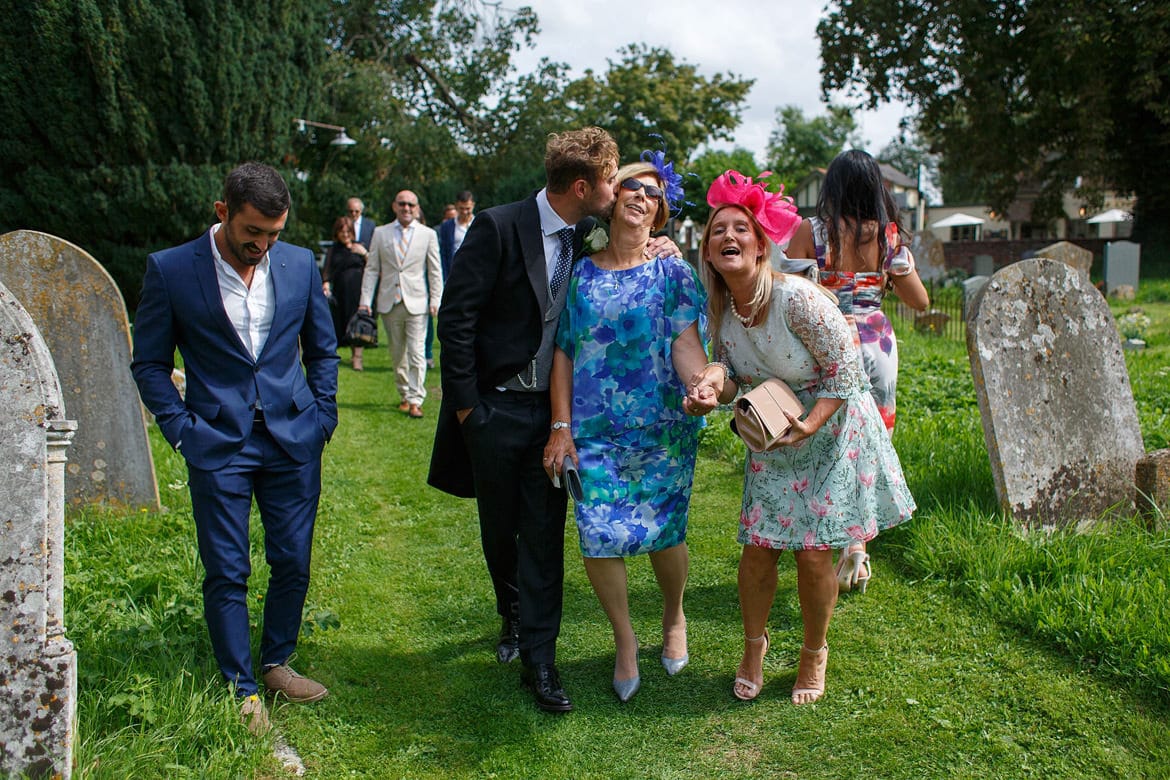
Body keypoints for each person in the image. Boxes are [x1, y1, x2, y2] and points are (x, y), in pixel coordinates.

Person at [429, 127, 679, 714]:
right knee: (500, 531)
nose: (619, 190)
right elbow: (457, 322)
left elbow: (627, 251)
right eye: (611, 179)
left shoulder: (589, 232)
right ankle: (510, 616)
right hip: (493, 409)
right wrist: (470, 411)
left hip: (552, 414)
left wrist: (660, 245)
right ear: (580, 186)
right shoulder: (497, 226)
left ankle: (542, 660)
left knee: (542, 534)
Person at [687, 170, 916, 705]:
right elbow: (731, 374)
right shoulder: (720, 312)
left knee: (814, 554)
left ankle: (815, 653)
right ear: (708, 251)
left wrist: (809, 426)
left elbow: (849, 371)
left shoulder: (798, 299)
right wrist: (710, 386)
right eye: (718, 231)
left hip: (832, 427)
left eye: (740, 229)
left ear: (762, 245)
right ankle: (753, 646)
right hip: (775, 433)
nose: (729, 237)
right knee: (757, 550)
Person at [130, 162, 339, 734]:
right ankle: (240, 688)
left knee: (292, 559)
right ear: (222, 212)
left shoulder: (297, 264)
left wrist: (324, 415)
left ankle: (275, 662)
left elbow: (322, 350)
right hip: (215, 439)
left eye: (274, 234)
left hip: (294, 435)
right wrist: (179, 427)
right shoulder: (172, 270)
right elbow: (149, 363)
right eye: (254, 233)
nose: (264, 246)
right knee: (226, 569)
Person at [541, 153, 708, 703]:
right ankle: (625, 639)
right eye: (633, 185)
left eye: (655, 193)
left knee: (665, 531)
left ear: (660, 214)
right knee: (596, 533)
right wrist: (560, 425)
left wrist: (696, 388)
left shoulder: (673, 271)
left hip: (663, 427)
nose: (642, 195)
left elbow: (686, 343)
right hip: (594, 431)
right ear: (612, 196)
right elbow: (564, 352)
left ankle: (674, 614)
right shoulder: (581, 273)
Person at [784, 149, 929, 594]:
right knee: (869, 442)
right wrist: (893, 267)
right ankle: (858, 547)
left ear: (832, 187)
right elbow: (920, 303)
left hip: (827, 341)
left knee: (825, 437)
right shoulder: (889, 240)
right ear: (877, 189)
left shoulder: (811, 232)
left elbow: (788, 290)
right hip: (876, 345)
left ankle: (819, 528)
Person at [359, 190, 442, 418]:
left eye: (411, 205)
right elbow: (372, 268)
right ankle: (404, 394)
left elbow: (435, 270)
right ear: (395, 206)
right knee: (398, 354)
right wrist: (365, 300)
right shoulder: (380, 233)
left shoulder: (427, 235)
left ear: (417, 208)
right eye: (402, 204)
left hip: (417, 302)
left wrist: (436, 299)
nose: (407, 208)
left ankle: (416, 399)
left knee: (416, 353)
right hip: (390, 301)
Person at [427, 191, 476, 368]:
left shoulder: (480, 223)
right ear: (456, 206)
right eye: (462, 209)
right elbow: (443, 252)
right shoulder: (448, 227)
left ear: (473, 206)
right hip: (452, 275)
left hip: (474, 276)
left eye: (468, 209)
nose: (465, 212)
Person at [322, 215, 370, 370]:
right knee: (338, 323)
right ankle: (332, 355)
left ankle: (357, 357)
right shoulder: (333, 250)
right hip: (340, 293)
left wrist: (364, 253)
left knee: (357, 323)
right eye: (342, 232)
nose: (345, 235)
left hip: (358, 291)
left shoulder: (359, 247)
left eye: (348, 232)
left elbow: (373, 268)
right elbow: (327, 270)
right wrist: (326, 284)